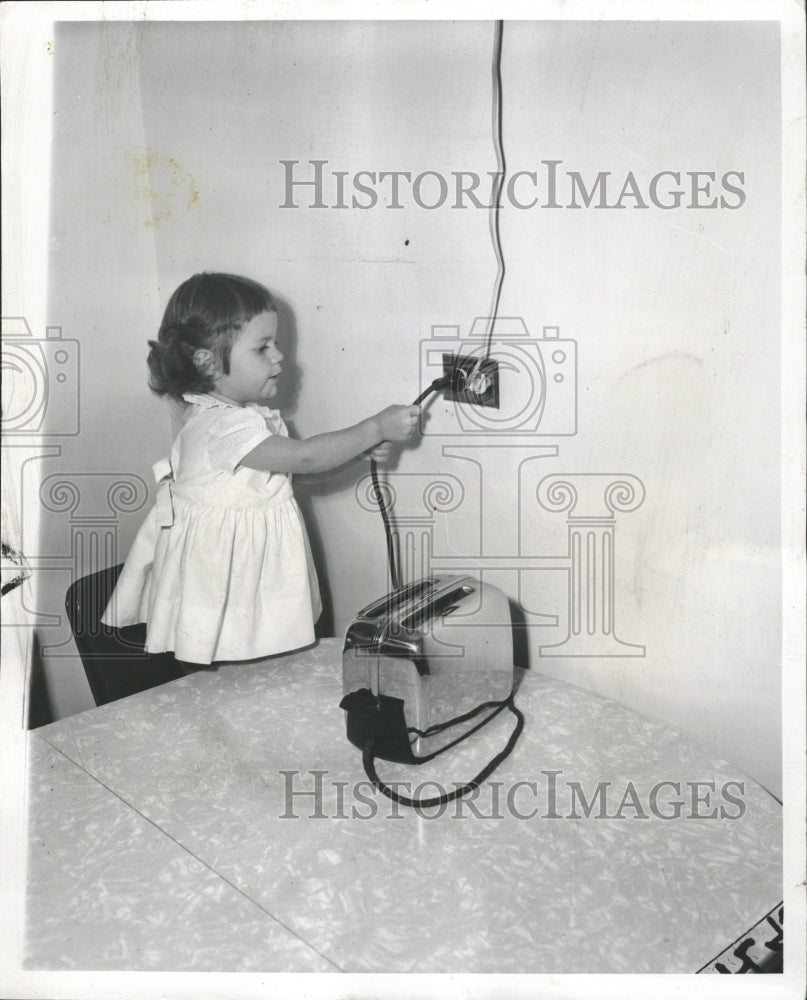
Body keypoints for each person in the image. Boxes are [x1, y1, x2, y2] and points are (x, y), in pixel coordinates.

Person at [102, 272, 419, 665]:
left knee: (254, 658)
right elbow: (304, 457)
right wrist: (374, 428)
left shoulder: (234, 416)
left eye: (276, 343)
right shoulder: (224, 427)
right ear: (207, 362)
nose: (278, 356)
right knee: (238, 658)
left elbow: (291, 473)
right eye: (262, 347)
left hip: (242, 570)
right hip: (227, 578)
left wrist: (355, 454)